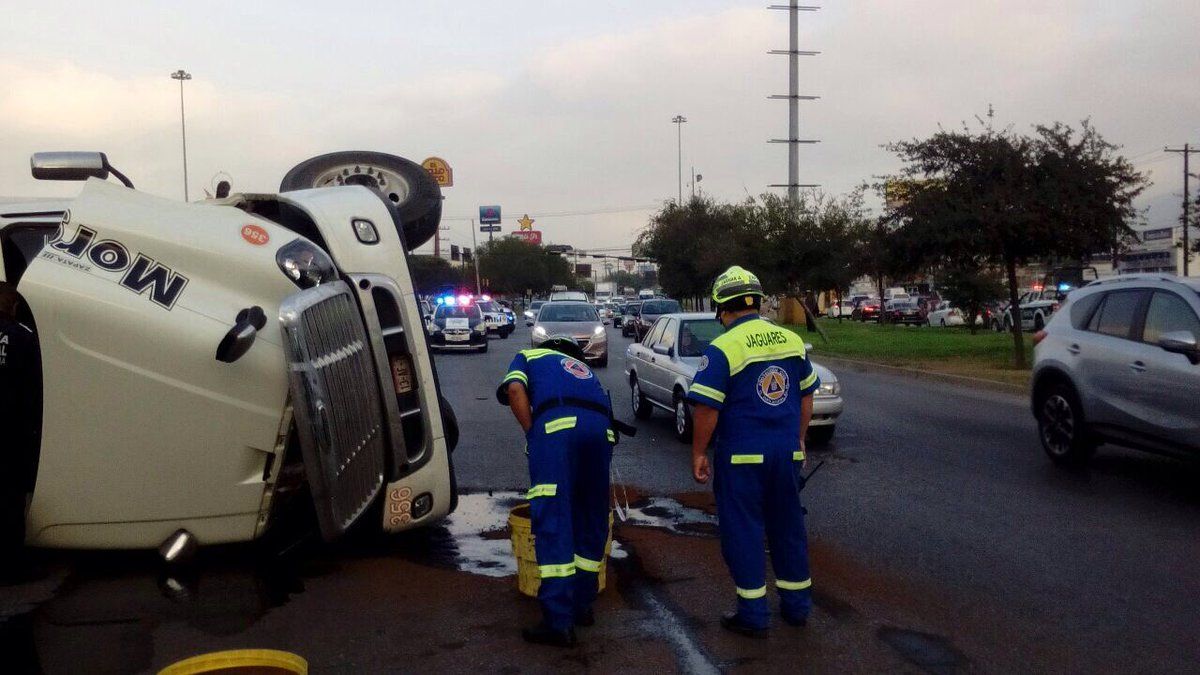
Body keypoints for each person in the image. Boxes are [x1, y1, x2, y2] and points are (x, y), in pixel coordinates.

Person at [686, 265, 820, 638]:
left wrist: (699, 453)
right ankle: (796, 608)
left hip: (742, 458)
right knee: (788, 530)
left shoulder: (723, 348)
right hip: (786, 453)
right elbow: (806, 396)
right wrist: (800, 438)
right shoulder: (791, 341)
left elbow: (707, 408)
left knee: (743, 532)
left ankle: (754, 615)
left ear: (721, 308)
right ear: (759, 302)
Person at [496, 335, 616, 647]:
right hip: (601, 432)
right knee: (591, 516)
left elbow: (514, 389)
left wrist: (533, 433)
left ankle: (558, 622)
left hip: (557, 429)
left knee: (554, 518)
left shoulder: (528, 356)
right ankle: (582, 605)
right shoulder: (583, 368)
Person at [0, 283, 40, 583]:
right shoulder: (23, 336)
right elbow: (34, 388)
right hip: (12, 430)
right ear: (13, 307)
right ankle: (13, 567)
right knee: (12, 499)